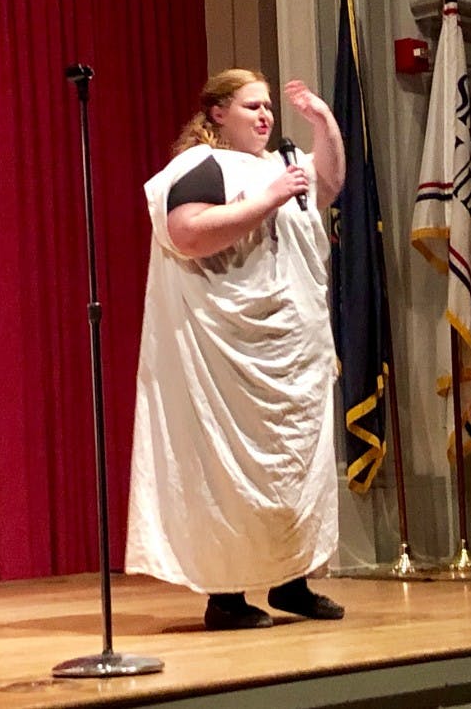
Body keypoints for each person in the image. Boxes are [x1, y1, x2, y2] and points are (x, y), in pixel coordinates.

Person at [124, 69, 346, 629]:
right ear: (217, 113)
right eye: (252, 106)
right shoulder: (202, 165)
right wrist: (268, 199)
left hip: (292, 352)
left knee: (292, 468)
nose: (266, 116)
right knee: (230, 472)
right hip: (228, 355)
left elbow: (329, 186)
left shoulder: (279, 165)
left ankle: (292, 583)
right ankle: (225, 598)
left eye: (269, 106)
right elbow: (188, 232)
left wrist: (323, 123)